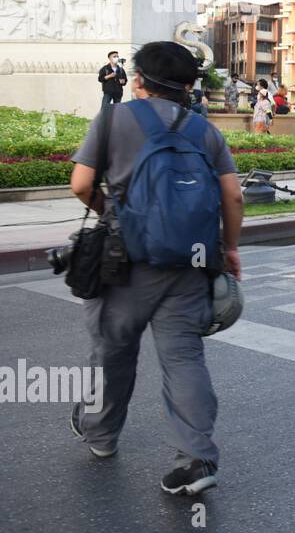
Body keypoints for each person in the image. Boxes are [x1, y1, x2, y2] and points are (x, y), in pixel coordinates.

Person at [68, 40, 243, 495]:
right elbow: (234, 196)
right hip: (189, 264)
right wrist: (231, 250)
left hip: (122, 262)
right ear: (186, 87)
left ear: (140, 79)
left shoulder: (114, 119)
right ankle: (196, 460)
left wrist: (114, 211)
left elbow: (81, 184)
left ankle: (102, 436)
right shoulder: (204, 131)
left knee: (111, 351)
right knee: (184, 358)